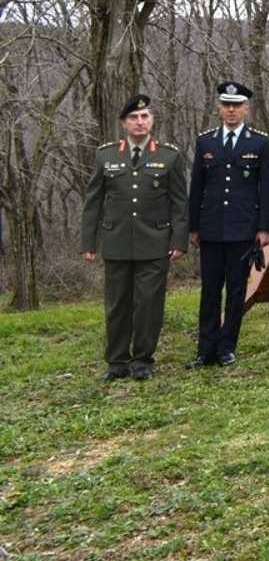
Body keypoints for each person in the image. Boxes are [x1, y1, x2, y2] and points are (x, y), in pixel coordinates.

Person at [80, 95, 189, 381]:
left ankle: (142, 360)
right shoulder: (106, 155)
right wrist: (88, 242)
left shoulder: (169, 155)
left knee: (148, 305)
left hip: (155, 243)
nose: (139, 123)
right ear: (123, 123)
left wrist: (179, 241)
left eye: (144, 117)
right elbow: (94, 201)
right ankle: (116, 362)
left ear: (152, 121)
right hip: (116, 242)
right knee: (117, 305)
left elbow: (179, 202)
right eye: (133, 118)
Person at [185, 81, 269, 368]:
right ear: (219, 108)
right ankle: (205, 349)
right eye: (227, 105)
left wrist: (264, 228)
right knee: (210, 290)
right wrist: (194, 226)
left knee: (236, 291)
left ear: (246, 108)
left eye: (237, 106)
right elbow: (196, 187)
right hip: (211, 228)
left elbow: (267, 188)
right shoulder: (206, 142)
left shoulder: (260, 143)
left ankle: (227, 347)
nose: (232, 110)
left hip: (243, 229)